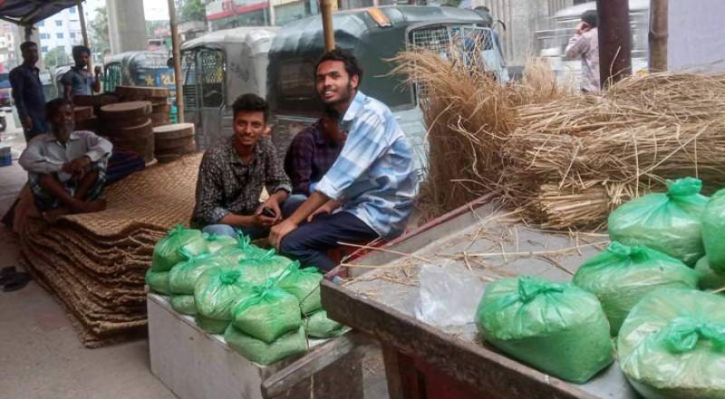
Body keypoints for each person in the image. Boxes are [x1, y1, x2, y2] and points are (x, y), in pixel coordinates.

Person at [270, 49, 418, 272]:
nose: (326, 83)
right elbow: (354, 178)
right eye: (321, 78)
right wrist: (329, 205)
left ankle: (345, 287)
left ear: (354, 80)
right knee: (296, 208)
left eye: (334, 76)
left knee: (292, 242)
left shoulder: (371, 116)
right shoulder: (351, 118)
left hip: (382, 213)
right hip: (362, 204)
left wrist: (290, 223)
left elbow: (337, 179)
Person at [191, 93, 291, 239]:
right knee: (224, 234)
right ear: (233, 123)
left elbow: (282, 182)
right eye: (242, 123)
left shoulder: (266, 147)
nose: (248, 131)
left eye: (255, 125)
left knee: (296, 203)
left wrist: (273, 200)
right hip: (221, 225)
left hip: (253, 219)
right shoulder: (215, 156)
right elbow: (206, 210)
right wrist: (250, 221)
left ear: (264, 128)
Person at [19, 99, 112, 222]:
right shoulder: (39, 141)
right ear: (49, 119)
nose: (64, 119)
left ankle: (67, 208)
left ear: (73, 116)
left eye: (68, 114)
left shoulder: (85, 136)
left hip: (81, 188)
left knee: (100, 160)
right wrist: (62, 167)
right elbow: (25, 160)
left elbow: (107, 145)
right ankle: (79, 206)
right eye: (58, 115)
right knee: (36, 172)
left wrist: (86, 158)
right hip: (54, 195)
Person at [283, 109, 344, 216]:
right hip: (307, 195)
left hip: (330, 195)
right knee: (296, 200)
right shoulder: (305, 139)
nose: (347, 133)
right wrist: (328, 194)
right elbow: (300, 186)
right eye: (343, 127)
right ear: (326, 123)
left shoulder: (340, 139)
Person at [9, 42, 47, 142]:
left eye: (35, 51)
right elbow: (18, 97)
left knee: (47, 143)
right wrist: (25, 116)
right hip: (31, 116)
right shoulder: (18, 72)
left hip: (43, 114)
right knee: (35, 144)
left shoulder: (35, 71)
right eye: (29, 52)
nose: (33, 54)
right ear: (23, 55)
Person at [565, 9, 600, 93]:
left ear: (584, 24)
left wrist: (577, 34)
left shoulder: (587, 36)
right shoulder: (608, 33)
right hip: (609, 84)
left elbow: (570, 54)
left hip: (591, 87)